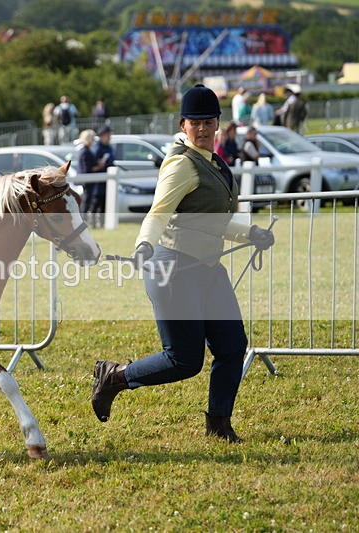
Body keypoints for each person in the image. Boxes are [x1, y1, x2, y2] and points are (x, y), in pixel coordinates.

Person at [91, 84, 276, 443]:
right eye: (195, 123)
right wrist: (144, 245)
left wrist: (251, 232)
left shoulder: (213, 162)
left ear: (218, 123)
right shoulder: (181, 164)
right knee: (184, 361)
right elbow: (159, 212)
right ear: (183, 125)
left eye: (208, 122)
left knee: (232, 346)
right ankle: (114, 377)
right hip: (175, 269)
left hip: (208, 270)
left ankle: (219, 425)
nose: (202, 128)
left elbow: (213, 221)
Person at [89, 125, 116, 227]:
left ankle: (102, 223)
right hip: (98, 182)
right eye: (108, 135)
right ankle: (93, 223)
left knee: (105, 203)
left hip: (107, 181)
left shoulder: (109, 147)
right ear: (102, 136)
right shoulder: (97, 148)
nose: (109, 137)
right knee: (96, 203)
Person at [77, 129, 101, 220]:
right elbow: (87, 169)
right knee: (86, 202)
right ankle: (82, 219)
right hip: (87, 181)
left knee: (87, 201)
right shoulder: (85, 152)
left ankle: (84, 219)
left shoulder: (86, 150)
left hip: (88, 180)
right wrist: (99, 166)